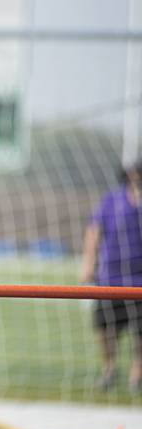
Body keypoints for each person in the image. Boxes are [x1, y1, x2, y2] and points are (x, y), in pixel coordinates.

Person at [80, 160, 142, 393]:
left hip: (139, 281)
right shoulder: (112, 201)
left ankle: (137, 376)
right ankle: (109, 370)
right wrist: (88, 263)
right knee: (106, 329)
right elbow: (94, 230)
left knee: (140, 334)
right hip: (111, 278)